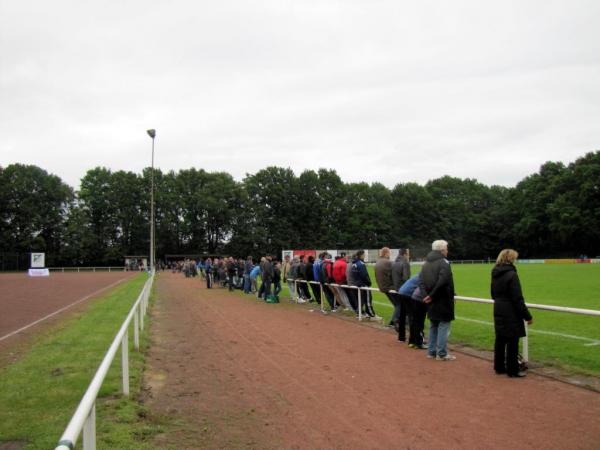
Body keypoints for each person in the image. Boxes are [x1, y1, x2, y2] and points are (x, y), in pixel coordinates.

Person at [491, 249, 533, 377]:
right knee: (513, 341)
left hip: (498, 308)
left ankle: (499, 367)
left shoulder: (495, 273)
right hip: (510, 311)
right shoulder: (512, 275)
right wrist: (527, 316)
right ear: (511, 259)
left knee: (500, 339)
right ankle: (512, 370)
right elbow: (517, 298)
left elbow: (492, 294)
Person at [420, 240, 456, 361]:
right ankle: (442, 353)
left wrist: (426, 295)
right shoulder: (444, 262)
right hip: (442, 299)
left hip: (430, 300)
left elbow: (420, 281)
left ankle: (431, 351)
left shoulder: (425, 263)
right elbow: (443, 280)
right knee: (443, 324)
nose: (447, 251)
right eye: (446, 249)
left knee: (433, 324)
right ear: (442, 250)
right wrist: (432, 295)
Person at [374, 247, 403, 334]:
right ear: (386, 253)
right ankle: (394, 322)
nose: (389, 254)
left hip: (382, 287)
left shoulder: (378, 262)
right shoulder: (388, 262)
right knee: (400, 304)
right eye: (389, 253)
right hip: (389, 287)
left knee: (397, 305)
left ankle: (396, 321)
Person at [399, 274, 427, 349]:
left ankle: (405, 338)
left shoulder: (420, 274)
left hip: (402, 291)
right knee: (414, 318)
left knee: (404, 315)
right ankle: (415, 341)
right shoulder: (426, 275)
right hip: (407, 294)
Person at [392, 248, 412, 341]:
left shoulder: (395, 262)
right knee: (406, 310)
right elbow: (406, 277)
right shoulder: (405, 263)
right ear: (404, 254)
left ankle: (401, 335)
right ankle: (397, 321)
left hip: (397, 288)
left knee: (399, 306)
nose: (408, 255)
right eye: (408, 254)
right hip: (404, 289)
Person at [351, 250, 377, 318]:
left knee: (361, 300)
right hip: (363, 284)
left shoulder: (354, 263)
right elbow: (364, 275)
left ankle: (360, 313)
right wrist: (369, 283)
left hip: (358, 284)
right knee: (368, 300)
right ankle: (371, 315)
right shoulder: (360, 264)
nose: (365, 256)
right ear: (361, 255)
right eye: (364, 255)